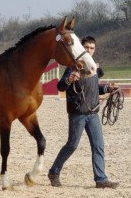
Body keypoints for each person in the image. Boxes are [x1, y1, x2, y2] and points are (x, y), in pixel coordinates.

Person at [48, 36, 119, 189]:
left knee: (98, 145)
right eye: (86, 47)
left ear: (94, 50)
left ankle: (101, 179)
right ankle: (54, 172)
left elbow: (94, 89)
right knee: (72, 145)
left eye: (92, 48)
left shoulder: (93, 68)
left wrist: (108, 89)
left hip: (93, 113)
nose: (89, 50)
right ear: (82, 48)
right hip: (78, 114)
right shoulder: (73, 67)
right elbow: (60, 87)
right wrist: (69, 80)